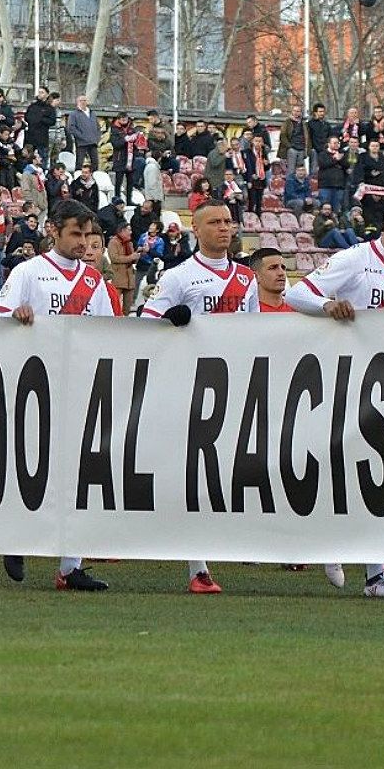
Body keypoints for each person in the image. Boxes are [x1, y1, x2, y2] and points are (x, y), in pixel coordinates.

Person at [283, 196, 384, 598]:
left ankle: (373, 572)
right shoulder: (356, 259)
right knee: (339, 464)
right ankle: (333, 542)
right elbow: (296, 295)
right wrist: (328, 305)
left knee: (381, 468)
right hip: (345, 376)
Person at [0, 200, 121, 591]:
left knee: (79, 474)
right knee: (31, 467)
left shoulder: (93, 280)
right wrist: (16, 316)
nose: (83, 242)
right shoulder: (29, 272)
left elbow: (107, 333)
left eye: (87, 235)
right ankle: (16, 538)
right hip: (34, 386)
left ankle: (70, 566)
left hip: (78, 384)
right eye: (75, 234)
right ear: (53, 231)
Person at [137, 201, 258, 595]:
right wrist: (173, 319)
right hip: (190, 385)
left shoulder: (246, 277)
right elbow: (145, 321)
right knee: (194, 473)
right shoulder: (178, 277)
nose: (224, 228)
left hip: (236, 383)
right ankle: (198, 565)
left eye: (228, 222)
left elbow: (256, 331)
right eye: (215, 222)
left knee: (230, 471)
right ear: (197, 230)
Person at [244, 247, 292, 312]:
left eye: (283, 268)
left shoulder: (298, 309)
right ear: (256, 276)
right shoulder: (248, 312)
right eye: (273, 268)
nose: (281, 273)